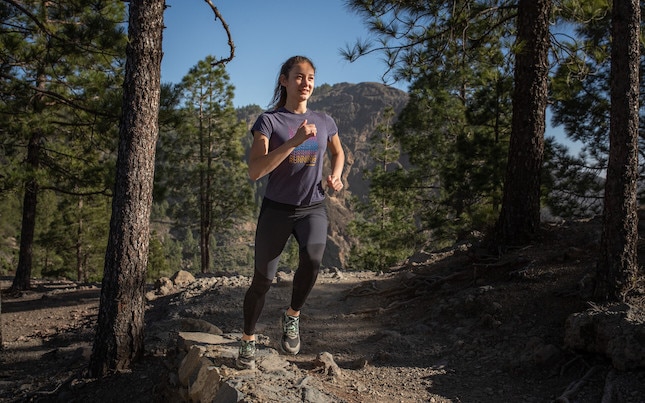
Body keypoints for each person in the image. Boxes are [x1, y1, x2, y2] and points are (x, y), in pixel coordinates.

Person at [236, 55, 345, 370]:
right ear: (284, 80)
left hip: (313, 206)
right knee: (263, 281)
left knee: (312, 261)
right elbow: (256, 170)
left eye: (310, 77)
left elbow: (338, 153)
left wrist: (336, 175)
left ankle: (292, 315)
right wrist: (295, 142)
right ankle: (247, 337)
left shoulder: (324, 120)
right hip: (277, 210)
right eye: (299, 76)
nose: (306, 83)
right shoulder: (269, 121)